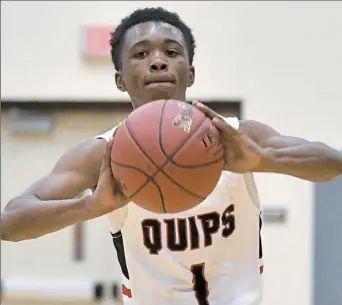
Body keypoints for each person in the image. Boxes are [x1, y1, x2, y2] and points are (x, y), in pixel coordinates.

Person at [1, 7, 342, 305]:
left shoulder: (237, 137)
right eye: (141, 54)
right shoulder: (102, 154)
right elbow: (10, 223)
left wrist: (264, 159)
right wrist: (89, 207)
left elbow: (332, 164)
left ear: (190, 72)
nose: (158, 60)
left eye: (172, 51)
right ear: (120, 80)